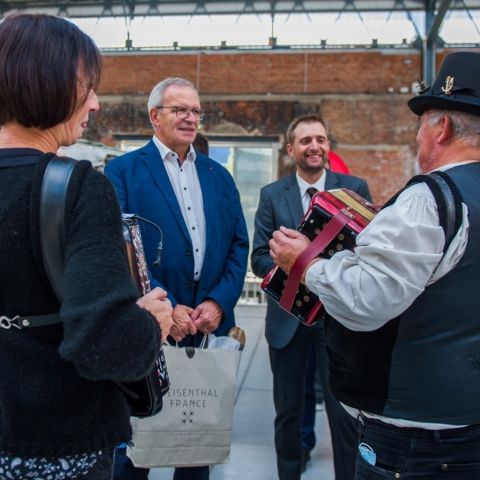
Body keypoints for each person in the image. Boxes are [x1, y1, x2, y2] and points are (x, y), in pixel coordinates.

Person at [269, 51, 480, 480]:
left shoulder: (429, 198)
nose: (417, 137)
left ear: (440, 128)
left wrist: (303, 262)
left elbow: (366, 300)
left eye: (420, 125)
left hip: (414, 437)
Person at [0, 13, 173, 480]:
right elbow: (104, 346)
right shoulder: (76, 187)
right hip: (55, 445)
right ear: (46, 81)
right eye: (86, 85)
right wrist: (150, 322)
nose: (95, 103)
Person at [105, 77, 249, 480]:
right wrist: (165, 306)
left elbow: (240, 244)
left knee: (196, 447)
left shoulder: (220, 177)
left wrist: (219, 301)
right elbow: (121, 251)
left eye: (195, 111)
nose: (190, 118)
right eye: (180, 110)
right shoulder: (123, 172)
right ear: (155, 116)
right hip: (149, 329)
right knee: (135, 449)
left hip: (206, 329)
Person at [251, 113, 370, 479]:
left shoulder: (354, 190)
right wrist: (291, 266)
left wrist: (316, 268)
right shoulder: (273, 195)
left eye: (320, 139)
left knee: (343, 412)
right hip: (287, 321)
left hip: (335, 320)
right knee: (288, 410)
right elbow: (258, 257)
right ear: (291, 150)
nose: (314, 146)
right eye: (305, 141)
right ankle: (289, 472)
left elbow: (368, 251)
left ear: (328, 146)